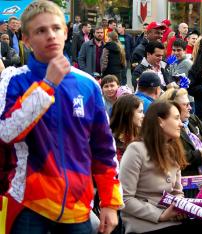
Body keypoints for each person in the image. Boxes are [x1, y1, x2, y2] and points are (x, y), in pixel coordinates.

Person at [0, 1, 123, 233]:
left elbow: (104, 148)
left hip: (77, 207)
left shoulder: (88, 85)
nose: (50, 36)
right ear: (25, 39)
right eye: (40, 30)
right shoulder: (13, 79)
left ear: (65, 32)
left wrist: (110, 202)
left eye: (56, 28)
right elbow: (6, 132)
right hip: (28, 207)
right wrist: (47, 86)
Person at [119, 101, 202, 234]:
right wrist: (161, 215)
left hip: (173, 220)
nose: (181, 124)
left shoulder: (173, 150)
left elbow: (176, 191)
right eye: (176, 118)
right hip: (145, 225)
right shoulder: (136, 150)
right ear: (160, 121)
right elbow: (125, 198)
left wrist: (180, 207)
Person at [159, 88, 202, 176]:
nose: (190, 108)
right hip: (187, 179)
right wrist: (201, 154)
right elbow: (177, 158)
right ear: (173, 107)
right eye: (186, 105)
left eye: (189, 104)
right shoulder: (168, 128)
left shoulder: (192, 119)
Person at [110, 94, 144, 160]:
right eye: (140, 112)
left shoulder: (141, 135)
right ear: (128, 114)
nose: (143, 115)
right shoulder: (111, 141)